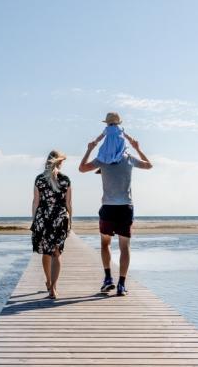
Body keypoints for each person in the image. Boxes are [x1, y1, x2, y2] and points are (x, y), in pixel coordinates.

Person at [79, 121, 152, 296]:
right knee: (124, 247)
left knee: (105, 244)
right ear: (121, 137)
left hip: (108, 208)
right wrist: (136, 147)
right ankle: (121, 284)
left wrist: (90, 147)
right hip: (125, 207)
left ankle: (107, 279)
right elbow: (149, 165)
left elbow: (82, 168)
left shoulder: (101, 159)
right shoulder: (128, 158)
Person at [31, 150, 72, 299]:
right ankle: (53, 288)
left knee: (46, 251)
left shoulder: (39, 179)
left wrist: (35, 220)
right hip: (60, 218)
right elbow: (68, 203)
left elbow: (36, 202)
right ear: (60, 162)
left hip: (44, 217)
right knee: (56, 252)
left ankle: (48, 282)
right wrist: (70, 220)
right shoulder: (65, 179)